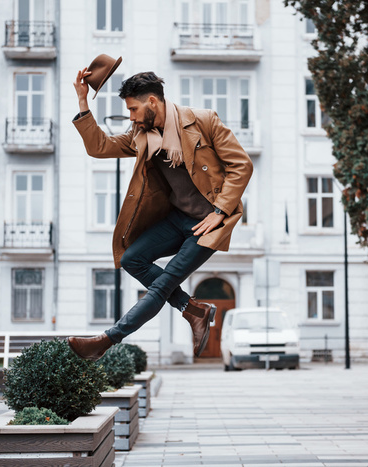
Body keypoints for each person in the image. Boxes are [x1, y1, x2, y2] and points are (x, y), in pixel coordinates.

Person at [68, 55, 253, 361]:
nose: (131, 117)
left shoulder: (204, 121)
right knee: (132, 259)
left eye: (133, 109)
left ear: (152, 101)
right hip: (177, 217)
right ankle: (193, 308)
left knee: (163, 284)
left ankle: (105, 341)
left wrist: (219, 211)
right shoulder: (141, 137)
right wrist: (82, 100)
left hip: (208, 224)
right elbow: (98, 147)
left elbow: (241, 165)